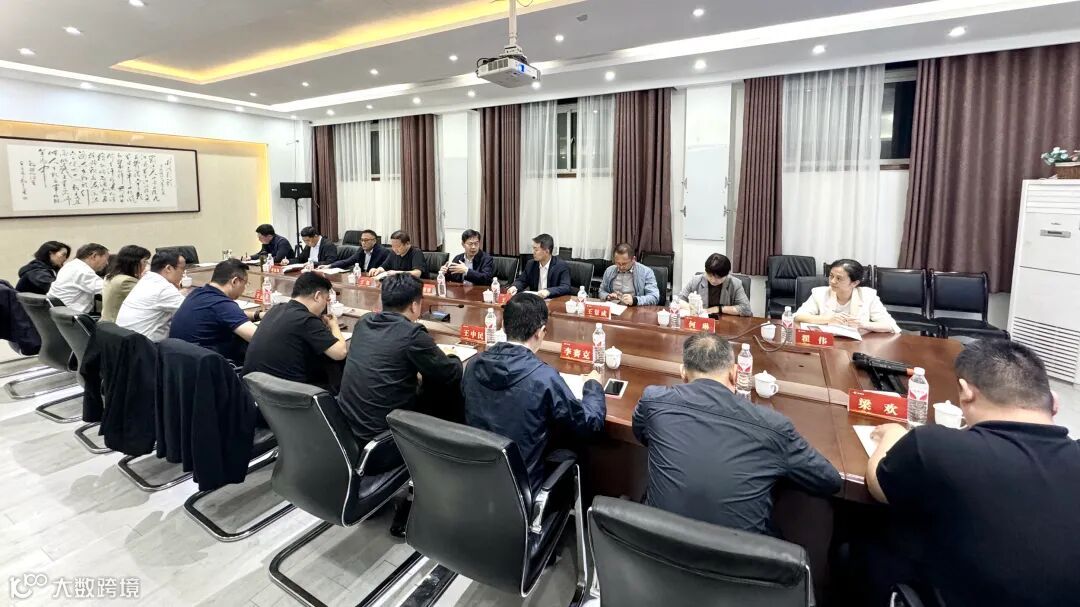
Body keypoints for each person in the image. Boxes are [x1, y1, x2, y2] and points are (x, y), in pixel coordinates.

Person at [862, 340, 1080, 606]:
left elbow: (878, 484)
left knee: (863, 541)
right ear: (1053, 402)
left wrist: (892, 435)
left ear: (966, 392)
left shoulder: (935, 446)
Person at [633, 332, 841, 533]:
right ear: (734, 373)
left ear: (683, 373)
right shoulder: (773, 427)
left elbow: (641, 432)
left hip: (654, 546)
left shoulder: (654, 400)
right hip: (736, 556)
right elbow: (829, 481)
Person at [462, 293, 607, 493]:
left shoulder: (473, 364)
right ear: (540, 332)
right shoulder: (543, 378)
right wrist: (593, 385)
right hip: (521, 491)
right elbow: (590, 424)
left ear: (503, 325)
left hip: (476, 481)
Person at [337, 273, 463, 444]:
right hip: (383, 437)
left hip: (346, 428)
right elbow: (448, 373)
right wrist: (455, 358)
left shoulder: (364, 322)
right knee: (441, 391)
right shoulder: (412, 334)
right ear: (414, 306)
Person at [242, 272, 348, 389]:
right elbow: (340, 353)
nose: (325, 306)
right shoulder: (306, 319)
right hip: (286, 394)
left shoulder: (276, 309)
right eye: (326, 300)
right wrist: (334, 325)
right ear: (317, 296)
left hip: (252, 389)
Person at [169, 259, 259, 364]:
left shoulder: (197, 293)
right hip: (211, 367)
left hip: (181, 364)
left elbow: (227, 315)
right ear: (235, 281)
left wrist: (257, 315)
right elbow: (259, 339)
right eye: (245, 283)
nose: (244, 288)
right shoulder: (222, 304)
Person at [794, 258, 900, 333]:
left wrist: (862, 324)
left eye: (839, 278)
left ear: (854, 283)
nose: (832, 281)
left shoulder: (868, 296)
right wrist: (828, 319)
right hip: (826, 342)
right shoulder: (820, 293)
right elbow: (798, 316)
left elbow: (890, 325)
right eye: (831, 276)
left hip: (857, 345)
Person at [115, 250, 188, 341]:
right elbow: (190, 311)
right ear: (168, 268)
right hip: (144, 345)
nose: (184, 273)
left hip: (125, 340)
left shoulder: (147, 279)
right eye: (182, 268)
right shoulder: (163, 287)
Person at [676, 253, 751, 316]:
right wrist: (695, 309)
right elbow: (678, 301)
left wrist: (718, 309)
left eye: (718, 278)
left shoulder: (735, 284)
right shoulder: (696, 280)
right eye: (709, 276)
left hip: (725, 323)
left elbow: (746, 309)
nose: (713, 280)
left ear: (727, 274)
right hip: (702, 322)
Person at [48, 243, 109, 314]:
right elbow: (109, 289)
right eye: (106, 259)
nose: (107, 263)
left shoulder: (72, 265)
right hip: (70, 316)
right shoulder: (83, 271)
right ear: (94, 256)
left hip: (58, 314)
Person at [507, 234, 572, 299]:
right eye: (533, 249)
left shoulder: (561, 266)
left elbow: (565, 287)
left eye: (536, 250)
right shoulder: (531, 264)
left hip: (553, 300)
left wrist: (548, 291)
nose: (533, 252)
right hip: (535, 301)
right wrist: (514, 287)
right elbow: (522, 281)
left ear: (547, 251)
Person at [101, 245, 151, 322]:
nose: (146, 265)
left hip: (107, 323)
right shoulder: (125, 281)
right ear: (133, 263)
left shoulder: (111, 276)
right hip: (118, 325)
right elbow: (149, 299)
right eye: (144, 261)